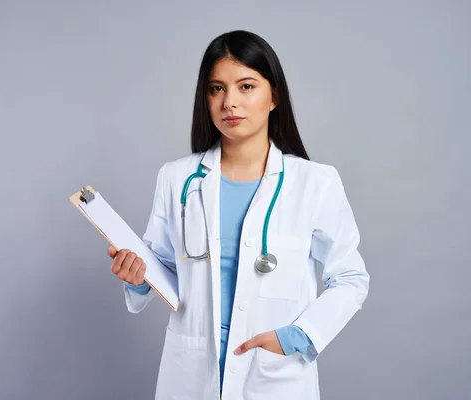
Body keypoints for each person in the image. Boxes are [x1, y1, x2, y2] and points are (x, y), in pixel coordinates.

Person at [107, 30, 369, 400]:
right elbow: (164, 267)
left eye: (246, 86)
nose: (229, 102)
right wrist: (137, 277)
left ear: (274, 96)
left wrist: (299, 335)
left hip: (273, 375)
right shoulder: (177, 178)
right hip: (193, 374)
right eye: (217, 89)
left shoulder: (315, 182)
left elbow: (351, 277)